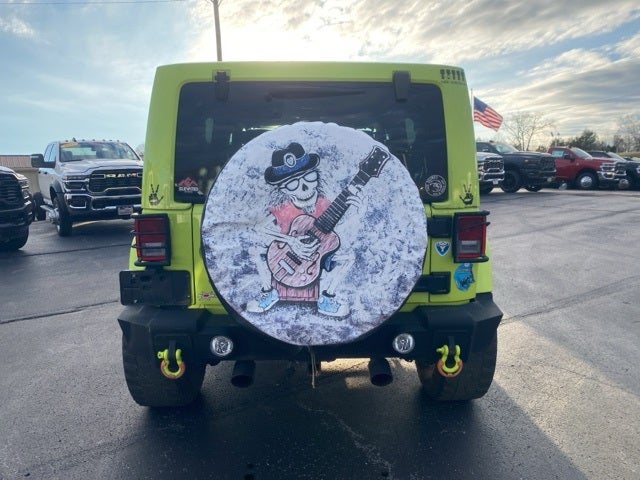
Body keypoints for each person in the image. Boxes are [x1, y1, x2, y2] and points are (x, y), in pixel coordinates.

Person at [246, 142, 363, 317]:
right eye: (293, 184)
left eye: (309, 178)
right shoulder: (284, 208)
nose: (305, 187)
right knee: (254, 251)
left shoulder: (325, 204)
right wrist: (291, 241)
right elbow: (258, 227)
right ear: (283, 189)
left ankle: (327, 298)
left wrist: (358, 215)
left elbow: (336, 232)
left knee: (349, 257)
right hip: (283, 253)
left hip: (317, 255)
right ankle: (268, 292)